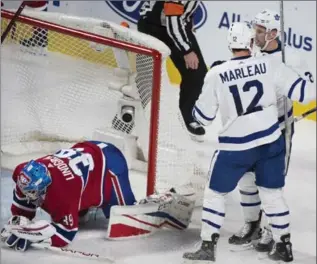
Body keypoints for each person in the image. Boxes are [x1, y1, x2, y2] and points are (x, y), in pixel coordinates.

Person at [182, 22, 315, 263]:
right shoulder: (269, 64)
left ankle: (207, 246)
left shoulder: (216, 73)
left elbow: (202, 118)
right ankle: (284, 245)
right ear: (251, 43)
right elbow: (305, 93)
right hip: (270, 142)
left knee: (215, 194)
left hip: (236, 146)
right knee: (272, 194)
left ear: (230, 45)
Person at [1, 140, 195, 251]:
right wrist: (19, 221)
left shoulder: (62, 192)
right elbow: (22, 205)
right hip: (85, 154)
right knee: (81, 214)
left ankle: (163, 201)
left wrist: (36, 235)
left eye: (34, 193)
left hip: (108, 164)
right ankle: (86, 206)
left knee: (126, 220)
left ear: (46, 185)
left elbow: (66, 234)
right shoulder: (23, 173)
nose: (30, 196)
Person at [228, 9, 315, 253]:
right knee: (246, 179)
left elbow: (308, 90)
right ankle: (252, 223)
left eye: (259, 30)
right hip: (250, 128)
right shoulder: (251, 52)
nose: (254, 34)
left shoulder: (292, 59)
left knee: (270, 184)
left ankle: (269, 229)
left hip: (279, 130)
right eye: (254, 29)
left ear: (274, 33)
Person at [138, 1, 208, 141]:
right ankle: (137, 113)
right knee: (148, 75)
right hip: (153, 25)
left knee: (197, 74)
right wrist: (187, 50)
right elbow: (172, 21)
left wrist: (189, 19)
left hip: (177, 22)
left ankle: (186, 116)